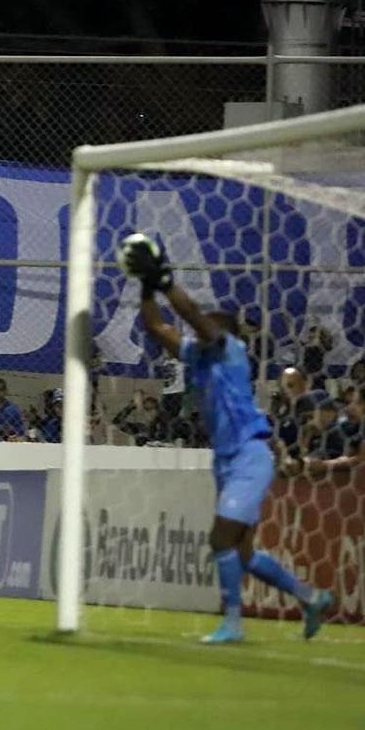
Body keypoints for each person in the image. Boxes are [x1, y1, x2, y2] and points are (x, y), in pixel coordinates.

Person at [124, 233, 333, 644]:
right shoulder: (196, 355)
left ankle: (232, 624)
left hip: (250, 457)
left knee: (219, 537)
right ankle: (312, 597)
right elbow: (154, 325)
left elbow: (197, 319)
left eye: (207, 326)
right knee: (243, 553)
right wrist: (147, 285)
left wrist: (166, 281)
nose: (199, 329)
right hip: (224, 459)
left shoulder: (230, 349)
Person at [0, 377, 25, 441]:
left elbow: (20, 431)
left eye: (0, 390)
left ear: (5, 391)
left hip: (7, 441)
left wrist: (10, 429)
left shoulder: (13, 409)